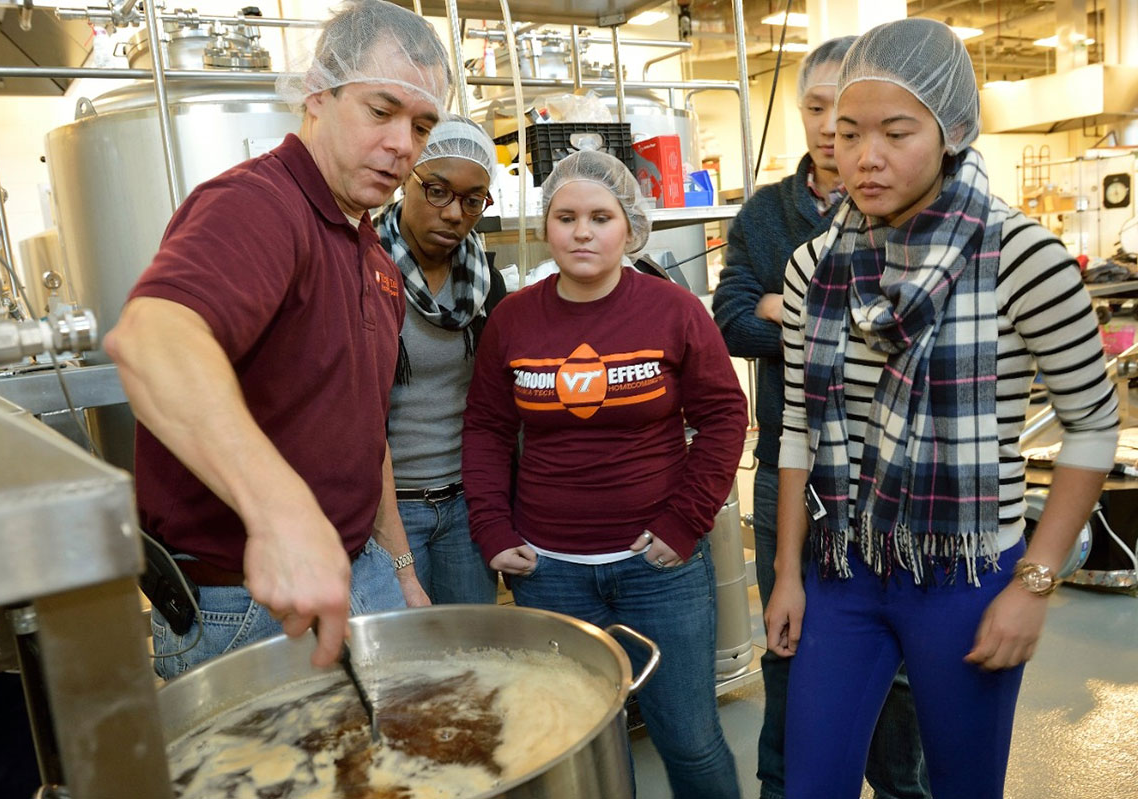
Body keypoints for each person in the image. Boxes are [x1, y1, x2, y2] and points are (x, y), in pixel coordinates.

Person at [764, 19, 1119, 799]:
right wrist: (789, 572)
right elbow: (799, 427)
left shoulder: (1021, 257)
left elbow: (1093, 425)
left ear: (953, 129)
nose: (866, 156)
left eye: (897, 131)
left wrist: (1033, 583)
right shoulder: (813, 268)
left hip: (966, 571)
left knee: (964, 784)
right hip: (843, 564)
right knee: (810, 782)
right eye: (847, 131)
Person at [103, 0, 452, 678]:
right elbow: (152, 339)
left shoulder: (370, 247)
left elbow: (362, 426)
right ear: (318, 93)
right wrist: (281, 513)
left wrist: (397, 563)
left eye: (422, 125)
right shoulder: (258, 205)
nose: (403, 145)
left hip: (360, 570)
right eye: (381, 112)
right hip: (248, 602)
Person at [462, 150, 749, 798]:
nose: (582, 231)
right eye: (566, 217)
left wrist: (684, 521)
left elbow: (727, 415)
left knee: (691, 740)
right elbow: (485, 427)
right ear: (547, 225)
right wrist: (492, 526)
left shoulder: (673, 310)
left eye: (600, 216)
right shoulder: (513, 319)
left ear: (629, 226)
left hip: (660, 572)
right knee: (580, 743)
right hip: (550, 574)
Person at [712, 37, 929, 799]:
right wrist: (826, 324)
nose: (835, 127)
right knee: (787, 643)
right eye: (818, 109)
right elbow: (733, 317)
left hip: (894, 474)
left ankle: (903, 786)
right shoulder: (767, 215)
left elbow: (913, 327)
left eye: (852, 111)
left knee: (896, 659)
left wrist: (801, 311)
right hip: (787, 468)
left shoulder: (913, 211)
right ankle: (787, 786)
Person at [375, 115, 504, 604]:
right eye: (437, 191)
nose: (454, 214)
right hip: (388, 508)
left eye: (473, 200)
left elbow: (494, 405)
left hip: (465, 504)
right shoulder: (363, 271)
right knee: (405, 666)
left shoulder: (485, 283)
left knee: (470, 659)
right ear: (406, 181)